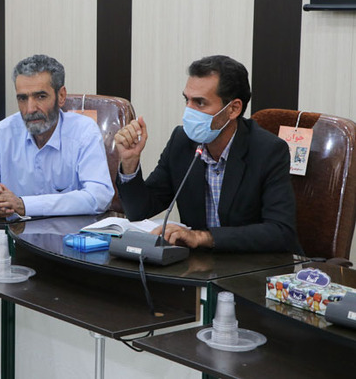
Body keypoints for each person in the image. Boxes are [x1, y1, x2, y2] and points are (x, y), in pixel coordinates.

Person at [114, 55, 302, 253]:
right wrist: (130, 162)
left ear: (233, 109)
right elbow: (140, 211)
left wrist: (203, 237)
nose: (188, 111)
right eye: (187, 100)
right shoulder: (182, 141)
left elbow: (280, 232)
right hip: (199, 264)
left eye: (200, 103)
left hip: (252, 263)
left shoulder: (268, 150)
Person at [0, 54, 114, 217]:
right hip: (15, 230)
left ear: (61, 96)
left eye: (41, 97)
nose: (30, 109)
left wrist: (24, 205)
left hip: (68, 231)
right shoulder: (2, 132)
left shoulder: (84, 132)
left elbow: (99, 196)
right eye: (22, 98)